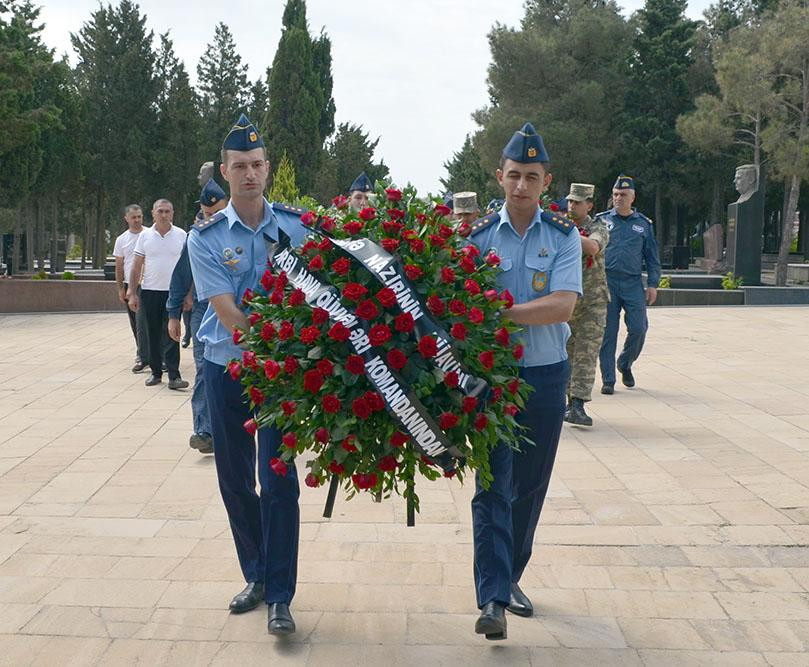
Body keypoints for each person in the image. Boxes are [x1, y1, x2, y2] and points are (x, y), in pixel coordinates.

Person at [187, 114, 307, 636]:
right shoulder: (206, 237)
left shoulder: (296, 228)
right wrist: (277, 340)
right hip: (227, 365)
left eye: (257, 165)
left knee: (279, 481)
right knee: (235, 480)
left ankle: (281, 594)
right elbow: (228, 310)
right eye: (240, 166)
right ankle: (255, 574)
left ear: (268, 169)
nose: (250, 174)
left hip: (280, 377)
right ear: (226, 172)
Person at [468, 122, 582, 640]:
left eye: (531, 177)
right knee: (493, 484)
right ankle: (492, 597)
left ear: (546, 181)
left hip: (543, 374)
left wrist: (500, 313)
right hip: (493, 379)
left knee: (529, 487)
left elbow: (563, 305)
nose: (520, 186)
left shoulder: (564, 237)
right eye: (513, 175)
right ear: (499, 177)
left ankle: (510, 576)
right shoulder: (475, 240)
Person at [167, 178, 228, 455]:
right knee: (205, 368)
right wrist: (173, 314)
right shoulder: (196, 237)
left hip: (239, 309)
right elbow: (180, 276)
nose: (211, 218)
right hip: (204, 312)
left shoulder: (242, 231)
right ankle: (204, 431)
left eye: (216, 212)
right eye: (206, 213)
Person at [597, 175, 660, 394]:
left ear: (632, 197)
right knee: (608, 332)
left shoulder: (643, 224)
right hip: (607, 282)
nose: (618, 198)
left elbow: (652, 256)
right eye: (615, 194)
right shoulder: (602, 221)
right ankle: (608, 379)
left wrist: (653, 284)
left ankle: (625, 362)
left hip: (632, 283)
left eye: (623, 195)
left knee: (639, 328)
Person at [127, 199, 189, 389]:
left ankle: (174, 376)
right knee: (152, 332)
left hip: (174, 293)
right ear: (153, 213)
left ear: (173, 213)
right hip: (150, 292)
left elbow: (189, 267)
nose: (164, 215)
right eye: (160, 211)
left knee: (173, 333)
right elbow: (137, 265)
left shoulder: (181, 235)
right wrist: (132, 291)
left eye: (167, 211)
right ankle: (155, 372)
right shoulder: (144, 237)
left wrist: (188, 294)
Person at [564, 183, 609, 426]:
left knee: (586, 353)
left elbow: (592, 247)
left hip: (593, 301)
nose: (572, 206)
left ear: (589, 205)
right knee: (567, 353)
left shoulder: (598, 228)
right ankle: (567, 402)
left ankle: (578, 405)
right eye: (570, 201)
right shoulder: (561, 225)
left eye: (577, 202)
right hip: (567, 300)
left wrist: (566, 232)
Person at [113, 204, 149, 373]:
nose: (137, 220)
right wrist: (121, 288)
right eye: (133, 217)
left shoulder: (150, 234)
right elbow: (119, 266)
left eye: (139, 217)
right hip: (130, 285)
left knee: (147, 321)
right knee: (136, 322)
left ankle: (151, 355)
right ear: (126, 219)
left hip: (149, 284)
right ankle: (141, 353)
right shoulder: (122, 239)